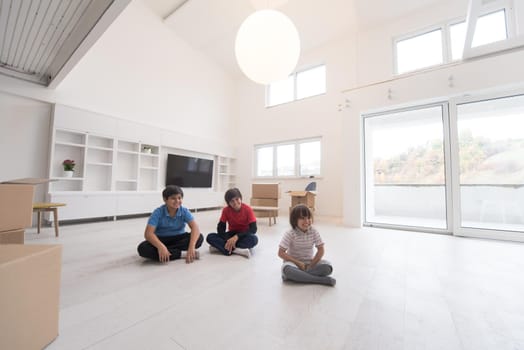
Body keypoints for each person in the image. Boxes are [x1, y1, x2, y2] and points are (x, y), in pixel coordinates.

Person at [137, 185, 203, 263]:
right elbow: (148, 234)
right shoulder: (158, 212)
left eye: (179, 198)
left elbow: (195, 227)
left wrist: (191, 247)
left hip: (179, 238)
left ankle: (169, 252)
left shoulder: (184, 211)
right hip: (161, 239)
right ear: (165, 199)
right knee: (142, 248)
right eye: (173, 198)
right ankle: (181, 254)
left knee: (199, 238)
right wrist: (161, 246)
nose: (177, 201)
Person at [278, 204, 336, 286]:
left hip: (310, 264)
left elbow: (321, 250)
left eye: (309, 218)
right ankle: (319, 280)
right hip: (293, 264)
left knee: (328, 267)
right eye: (302, 218)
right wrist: (298, 263)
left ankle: (299, 276)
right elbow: (281, 253)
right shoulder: (290, 233)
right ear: (294, 220)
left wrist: (311, 265)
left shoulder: (314, 231)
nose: (307, 221)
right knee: (287, 270)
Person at [206, 188, 258, 258]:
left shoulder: (248, 209)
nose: (235, 203)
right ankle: (237, 250)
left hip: (243, 235)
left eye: (237, 199)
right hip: (231, 233)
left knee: (254, 239)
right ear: (228, 203)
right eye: (232, 201)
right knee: (210, 237)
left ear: (241, 198)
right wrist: (227, 239)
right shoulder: (226, 210)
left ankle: (222, 248)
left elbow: (253, 229)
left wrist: (236, 237)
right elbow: (221, 228)